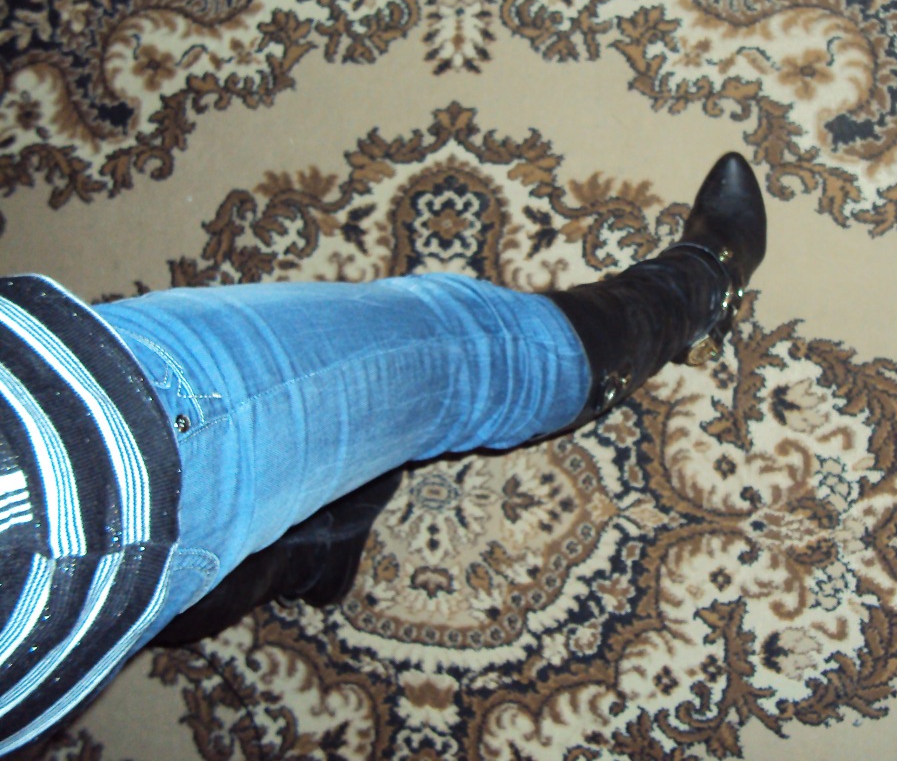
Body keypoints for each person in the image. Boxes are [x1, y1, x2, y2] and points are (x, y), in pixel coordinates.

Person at [0, 152, 767, 753]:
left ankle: (313, 551)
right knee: (460, 351)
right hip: (77, 461)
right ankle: (696, 290)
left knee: (139, 581)